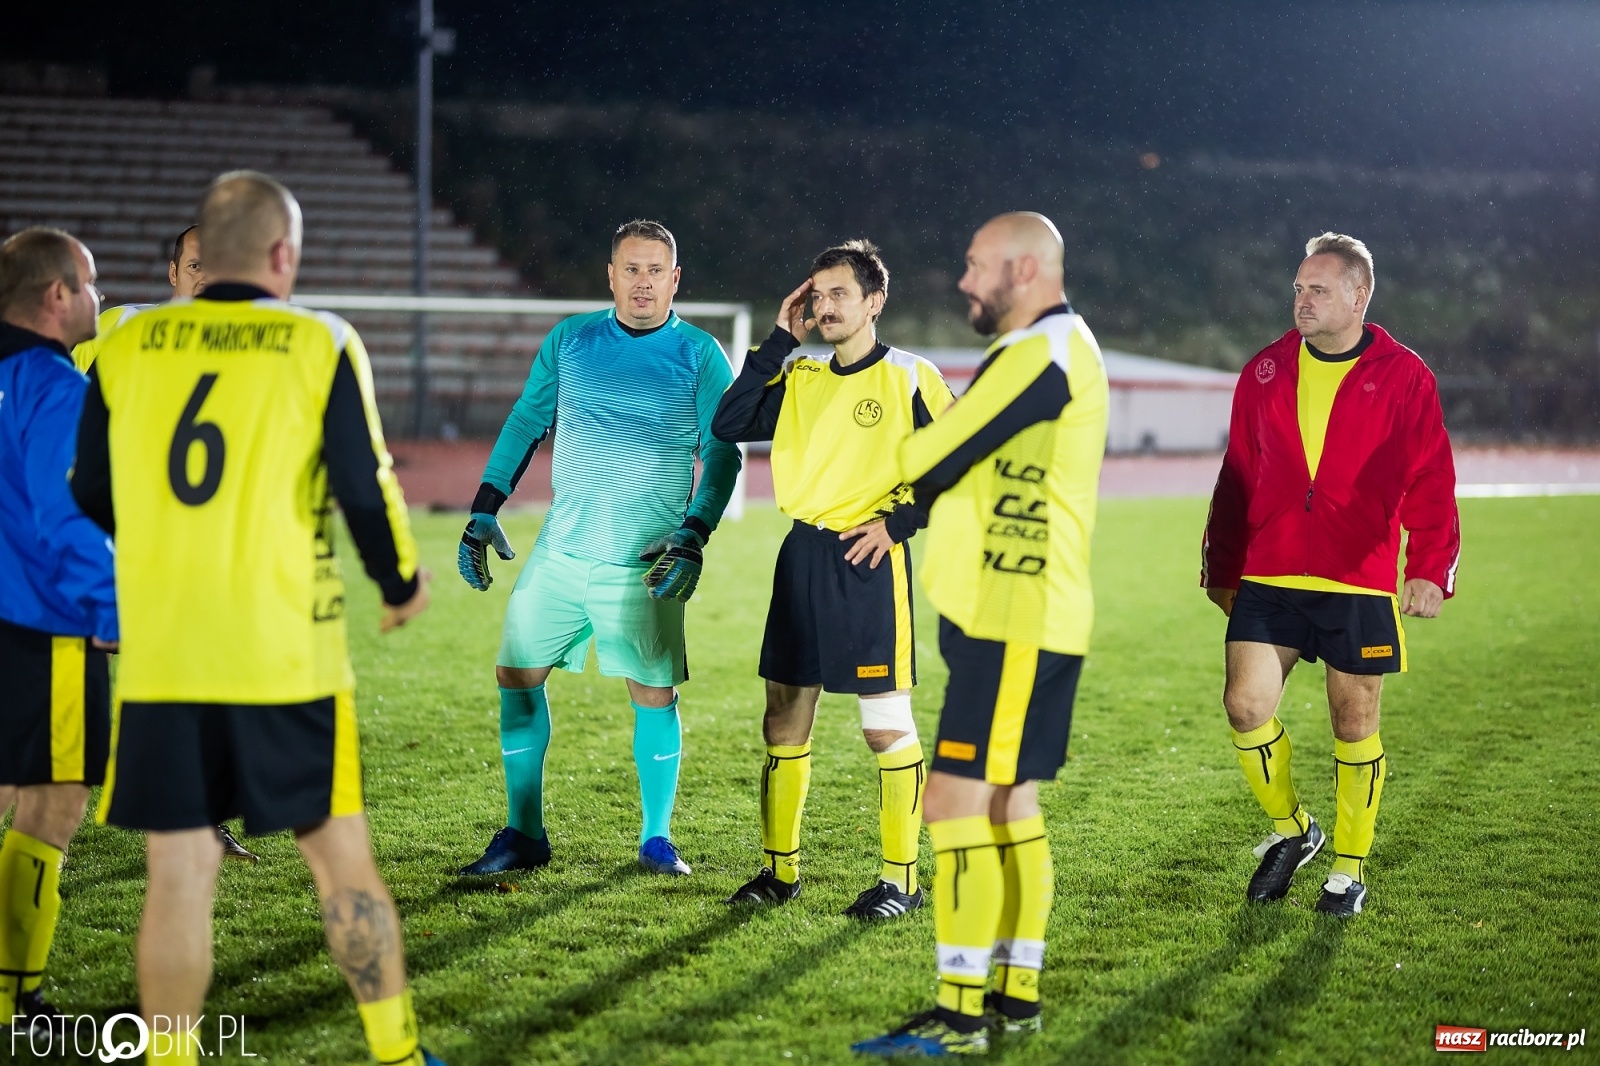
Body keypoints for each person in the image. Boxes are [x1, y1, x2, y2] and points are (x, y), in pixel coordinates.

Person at [71, 171, 443, 1066]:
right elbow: (365, 482)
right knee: (340, 858)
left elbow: (89, 486)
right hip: (286, 655)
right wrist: (398, 583)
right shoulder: (318, 340)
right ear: (284, 255)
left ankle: (170, 1057)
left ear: (203, 254)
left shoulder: (128, 342)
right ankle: (394, 1053)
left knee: (179, 871)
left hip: (164, 653)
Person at [854, 213, 1108, 1056]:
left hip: (1015, 619)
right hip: (1018, 615)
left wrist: (867, 425)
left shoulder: (1045, 353)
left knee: (955, 801)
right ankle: (1016, 998)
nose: (963, 281)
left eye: (975, 264)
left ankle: (961, 1016)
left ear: (1025, 267)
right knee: (1008, 803)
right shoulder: (1051, 349)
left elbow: (930, 458)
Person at [456, 219, 742, 878]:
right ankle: (525, 834)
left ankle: (657, 839)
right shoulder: (571, 339)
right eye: (631, 269)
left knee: (654, 692)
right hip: (560, 553)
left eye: (655, 271)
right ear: (609, 275)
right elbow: (529, 420)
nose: (643, 283)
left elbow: (722, 451)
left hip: (643, 560)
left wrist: (695, 533)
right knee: (516, 676)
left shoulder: (700, 354)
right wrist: (483, 507)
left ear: (676, 280)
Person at [1201, 233, 1459, 919]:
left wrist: (1429, 568)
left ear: (1358, 295)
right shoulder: (1263, 371)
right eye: (1297, 288)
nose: (1302, 300)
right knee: (1245, 705)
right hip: (1272, 569)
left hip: (1358, 577)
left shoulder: (1406, 376)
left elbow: (1433, 476)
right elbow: (1237, 477)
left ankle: (1347, 868)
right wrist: (1221, 565)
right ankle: (1293, 830)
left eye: (1318, 289)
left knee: (1354, 720)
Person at [711, 240, 953, 918]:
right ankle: (779, 874)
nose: (825, 305)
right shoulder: (800, 374)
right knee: (784, 718)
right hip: (803, 557)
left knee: (884, 725)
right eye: (817, 295)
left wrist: (900, 525)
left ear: (874, 302)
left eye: (839, 293)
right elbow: (727, 423)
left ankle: (900, 882)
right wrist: (775, 340)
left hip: (869, 561)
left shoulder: (910, 377)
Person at [69, 224, 258, 865]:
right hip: (102, 539)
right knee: (60, 686)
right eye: (196, 265)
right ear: (174, 273)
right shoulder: (119, 327)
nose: (208, 276)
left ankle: (202, 821)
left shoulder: (253, 345)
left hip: (198, 548)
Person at [0, 227, 117, 1031]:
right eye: (92, 284)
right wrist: (112, 613)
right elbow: (67, 521)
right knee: (53, 801)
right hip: (43, 630)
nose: (99, 298)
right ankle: (14, 996)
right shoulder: (53, 384)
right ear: (56, 297)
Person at [71, 224, 206, 372]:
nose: (206, 279)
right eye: (195, 266)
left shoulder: (234, 341)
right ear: (174, 273)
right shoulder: (119, 322)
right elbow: (69, 390)